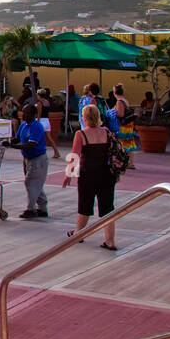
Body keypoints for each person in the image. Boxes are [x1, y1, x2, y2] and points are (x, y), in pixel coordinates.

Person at [62, 102, 118, 251]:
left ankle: (79, 234)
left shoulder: (81, 134)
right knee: (108, 208)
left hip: (88, 175)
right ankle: (110, 241)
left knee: (84, 205)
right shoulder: (106, 131)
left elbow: (75, 156)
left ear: (84, 118)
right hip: (106, 174)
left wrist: (68, 175)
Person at [14, 103, 50, 219]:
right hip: (27, 158)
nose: (23, 114)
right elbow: (17, 138)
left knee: (30, 182)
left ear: (34, 114)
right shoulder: (23, 125)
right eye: (23, 112)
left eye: (26, 112)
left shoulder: (37, 127)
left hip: (37, 159)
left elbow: (31, 144)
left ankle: (31, 209)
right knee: (36, 183)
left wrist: (14, 147)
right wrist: (7, 142)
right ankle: (42, 208)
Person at [111, 84, 139, 169]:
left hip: (123, 126)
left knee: (122, 144)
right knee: (129, 144)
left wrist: (113, 111)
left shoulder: (119, 102)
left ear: (115, 92)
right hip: (128, 125)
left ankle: (124, 161)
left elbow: (121, 114)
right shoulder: (125, 100)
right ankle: (130, 162)